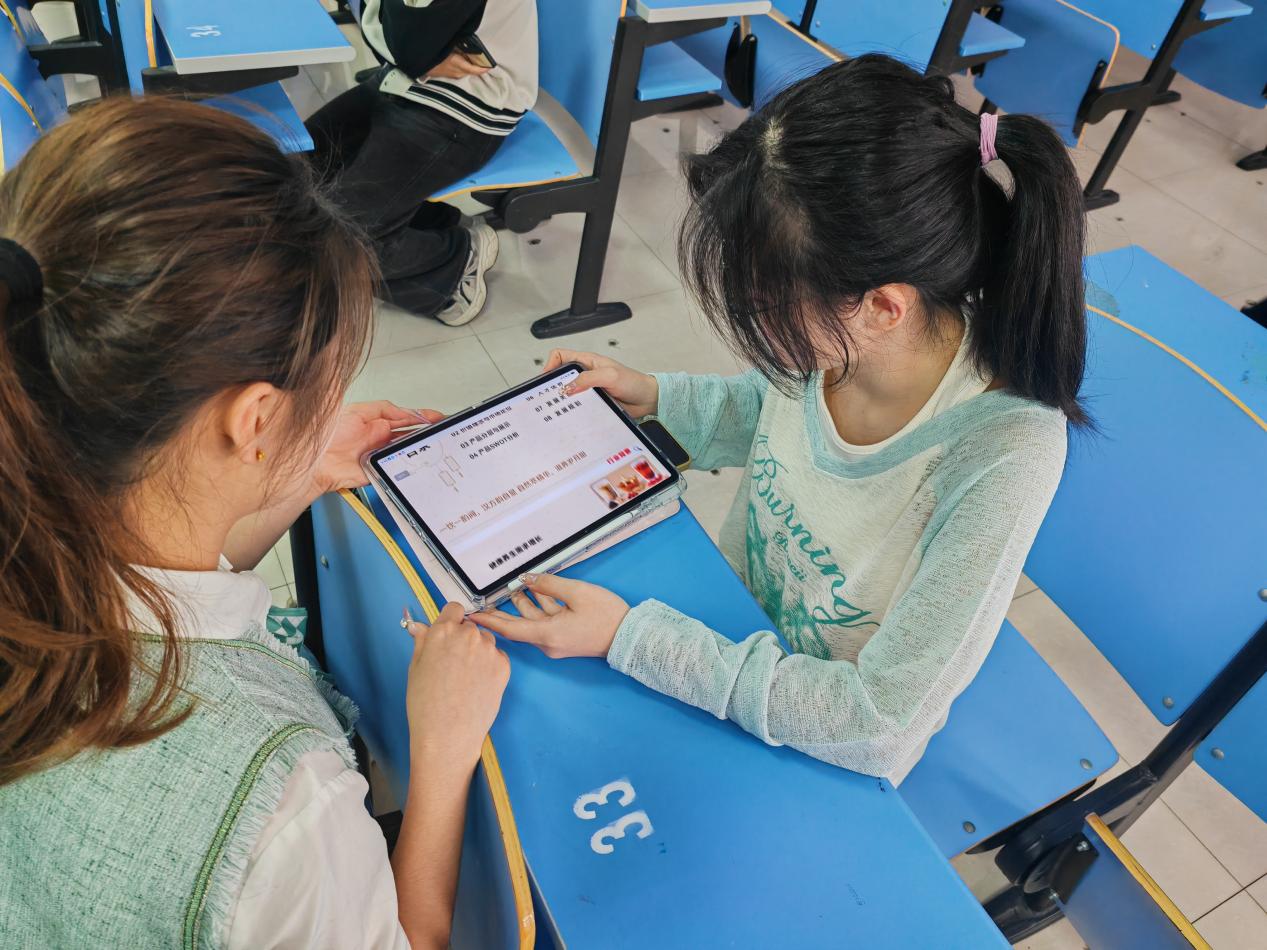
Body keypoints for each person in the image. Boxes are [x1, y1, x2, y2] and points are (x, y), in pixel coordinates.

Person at [472, 55, 1088, 785]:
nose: (755, 330)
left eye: (764, 306)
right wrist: (656, 395)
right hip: (734, 631)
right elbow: (771, 413)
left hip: (817, 735)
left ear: (882, 307)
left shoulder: (1003, 452)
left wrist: (629, 638)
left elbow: (879, 724)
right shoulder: (845, 341)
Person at [0, 97, 507, 949]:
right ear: (256, 419)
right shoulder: (283, 806)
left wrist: (291, 473)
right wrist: (443, 749)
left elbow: (150, 572)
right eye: (329, 382)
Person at [307, 0, 538, 326]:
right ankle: (428, 224)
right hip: (404, 82)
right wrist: (415, 57)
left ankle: (454, 266)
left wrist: (414, 55)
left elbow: (407, 42)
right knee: (285, 179)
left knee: (334, 241)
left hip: (466, 105)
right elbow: (396, 40)